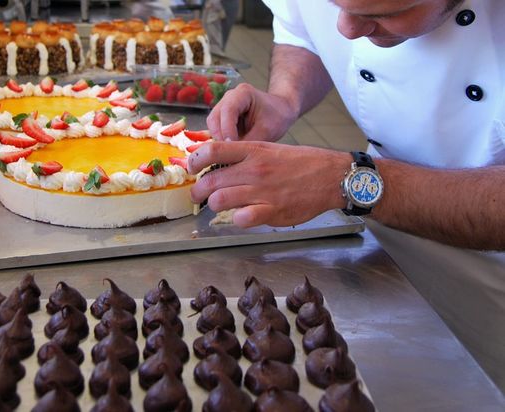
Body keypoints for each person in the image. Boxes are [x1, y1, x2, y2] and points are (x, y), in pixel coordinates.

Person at [187, 0, 505, 389]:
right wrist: (286, 98)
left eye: (384, 13)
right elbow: (302, 29)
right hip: (377, 249)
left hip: (490, 285)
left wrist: (348, 180)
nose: (346, 29)